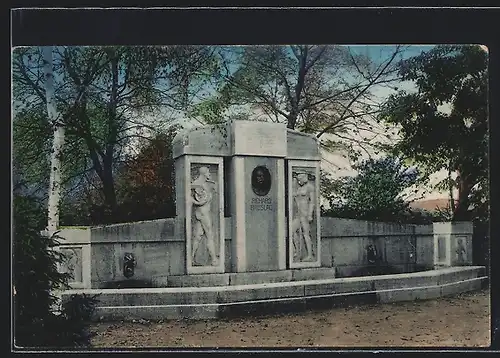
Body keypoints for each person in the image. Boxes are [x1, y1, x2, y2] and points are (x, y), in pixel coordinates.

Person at [191, 166, 218, 266]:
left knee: (197, 236)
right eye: (207, 172)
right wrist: (199, 202)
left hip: (200, 213)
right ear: (203, 173)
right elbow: (191, 199)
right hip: (204, 213)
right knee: (210, 235)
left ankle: (191, 258)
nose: (209, 173)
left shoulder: (205, 184)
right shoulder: (198, 185)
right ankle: (214, 259)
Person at [291, 172, 316, 261]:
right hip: (298, 213)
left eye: (300, 178)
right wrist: (294, 181)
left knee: (306, 234)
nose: (299, 181)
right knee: (291, 231)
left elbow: (312, 202)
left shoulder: (310, 187)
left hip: (305, 213)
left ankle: (310, 255)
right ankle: (296, 251)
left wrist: (310, 214)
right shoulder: (299, 188)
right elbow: (293, 194)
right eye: (298, 179)